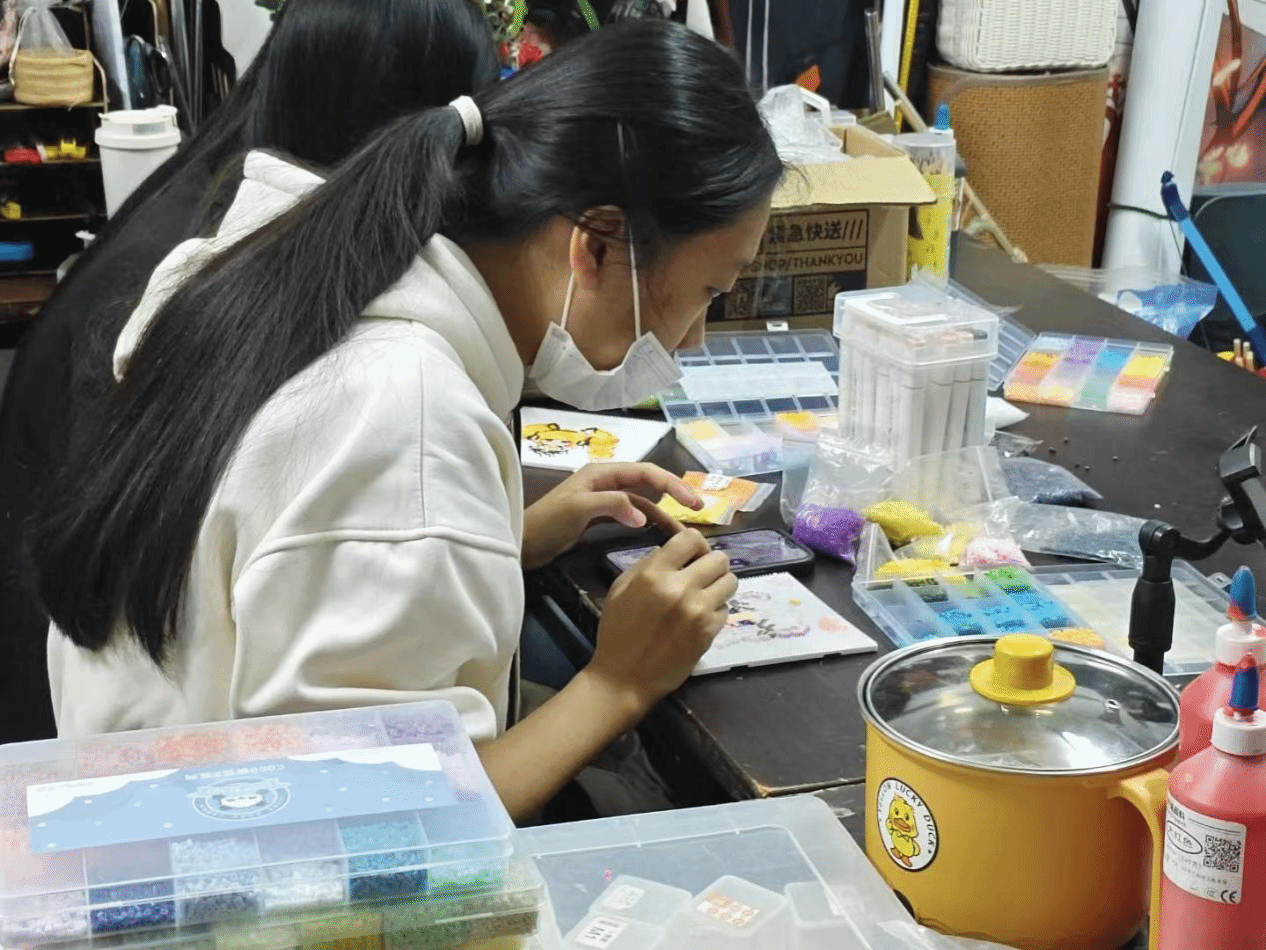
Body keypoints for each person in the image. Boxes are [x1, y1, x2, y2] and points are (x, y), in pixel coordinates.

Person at [31, 19, 782, 820]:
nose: (694, 340)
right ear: (594, 248)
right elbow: (379, 826)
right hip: (210, 854)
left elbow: (266, 557)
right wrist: (619, 681)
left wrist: (505, 537)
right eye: (709, 291)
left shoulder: (301, 258)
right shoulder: (404, 418)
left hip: (122, 793)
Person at [0, 0, 500, 743]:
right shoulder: (381, 379)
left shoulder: (221, 247)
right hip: (140, 748)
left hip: (98, 712)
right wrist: (614, 687)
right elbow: (367, 775)